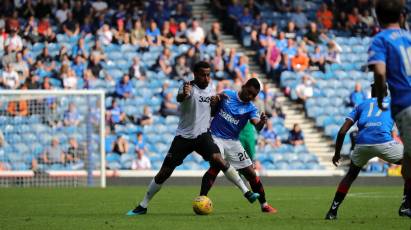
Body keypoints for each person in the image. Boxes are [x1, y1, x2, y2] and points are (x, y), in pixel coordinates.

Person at [126, 61, 259, 216]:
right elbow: (180, 98)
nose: (207, 78)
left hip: (203, 135)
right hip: (183, 137)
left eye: (209, 75)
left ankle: (246, 192)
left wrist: (215, 102)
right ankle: (143, 205)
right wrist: (183, 94)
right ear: (195, 74)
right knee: (164, 173)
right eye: (203, 75)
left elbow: (211, 112)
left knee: (219, 159)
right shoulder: (187, 87)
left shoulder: (211, 88)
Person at [325, 84, 403, 220]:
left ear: (371, 93)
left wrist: (337, 154)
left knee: (350, 176)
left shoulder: (361, 105)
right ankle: (406, 205)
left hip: (362, 145)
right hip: (384, 142)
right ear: (386, 93)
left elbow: (342, 131)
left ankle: (332, 211)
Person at [199, 78, 277, 213]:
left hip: (233, 142)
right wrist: (214, 102)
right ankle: (202, 198)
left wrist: (262, 122)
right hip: (215, 136)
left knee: (251, 173)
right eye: (250, 92)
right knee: (216, 166)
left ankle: (264, 205)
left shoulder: (251, 108)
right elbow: (211, 111)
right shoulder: (227, 95)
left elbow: (257, 126)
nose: (250, 96)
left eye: (254, 95)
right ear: (244, 86)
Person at [370, 0, 411, 218]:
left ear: (377, 17)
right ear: (402, 15)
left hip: (406, 104)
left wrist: (379, 95)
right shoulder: (410, 36)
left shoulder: (380, 39)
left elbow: (379, 71)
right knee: (408, 164)